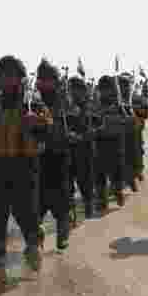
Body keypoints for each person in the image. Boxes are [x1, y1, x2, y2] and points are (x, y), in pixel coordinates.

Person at [0, 55, 48, 283]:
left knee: (26, 214)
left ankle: (33, 246)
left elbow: (46, 129)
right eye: (4, 75)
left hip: (24, 167)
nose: (8, 79)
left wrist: (37, 122)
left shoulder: (31, 102)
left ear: (20, 77)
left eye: (12, 75)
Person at [34, 60, 72, 251]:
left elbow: (74, 124)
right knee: (36, 203)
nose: (44, 83)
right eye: (41, 79)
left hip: (59, 157)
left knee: (62, 201)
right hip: (36, 159)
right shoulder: (31, 100)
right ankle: (35, 238)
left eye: (48, 79)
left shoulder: (65, 100)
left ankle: (62, 235)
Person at [91, 75, 128, 213]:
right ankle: (102, 200)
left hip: (115, 143)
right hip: (99, 143)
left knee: (116, 172)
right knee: (99, 174)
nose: (105, 92)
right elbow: (91, 123)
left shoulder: (119, 105)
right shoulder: (94, 105)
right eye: (102, 89)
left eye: (107, 89)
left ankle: (118, 192)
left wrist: (114, 119)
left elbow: (127, 122)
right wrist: (97, 127)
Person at [65, 76, 97, 219]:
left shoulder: (90, 106)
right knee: (67, 183)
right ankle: (70, 211)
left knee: (85, 180)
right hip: (68, 151)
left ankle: (89, 206)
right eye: (70, 89)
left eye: (74, 89)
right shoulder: (66, 106)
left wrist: (81, 137)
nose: (71, 93)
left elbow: (95, 128)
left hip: (85, 150)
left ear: (82, 90)